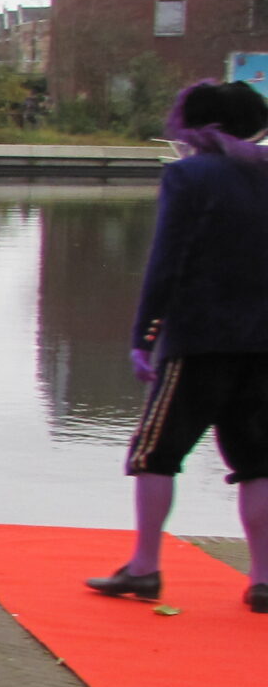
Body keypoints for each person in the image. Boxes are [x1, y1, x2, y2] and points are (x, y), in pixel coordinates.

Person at [90, 78, 268, 612]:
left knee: (155, 455)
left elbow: (167, 259)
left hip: (198, 338)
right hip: (263, 341)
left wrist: (145, 335)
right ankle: (263, 578)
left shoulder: (189, 176)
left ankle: (145, 566)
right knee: (259, 461)